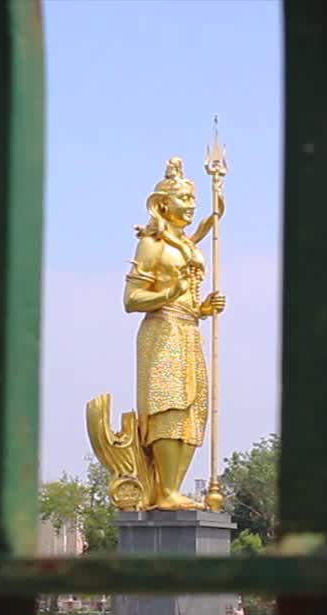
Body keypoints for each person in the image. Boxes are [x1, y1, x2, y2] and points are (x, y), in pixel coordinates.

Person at [122, 157, 226, 510]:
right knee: (168, 405)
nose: (191, 206)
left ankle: (173, 488)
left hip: (188, 330)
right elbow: (132, 300)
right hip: (162, 330)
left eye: (192, 200)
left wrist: (203, 309)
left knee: (193, 410)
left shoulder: (187, 245)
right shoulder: (152, 244)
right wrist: (169, 293)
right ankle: (165, 491)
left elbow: (188, 291)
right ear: (162, 204)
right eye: (184, 199)